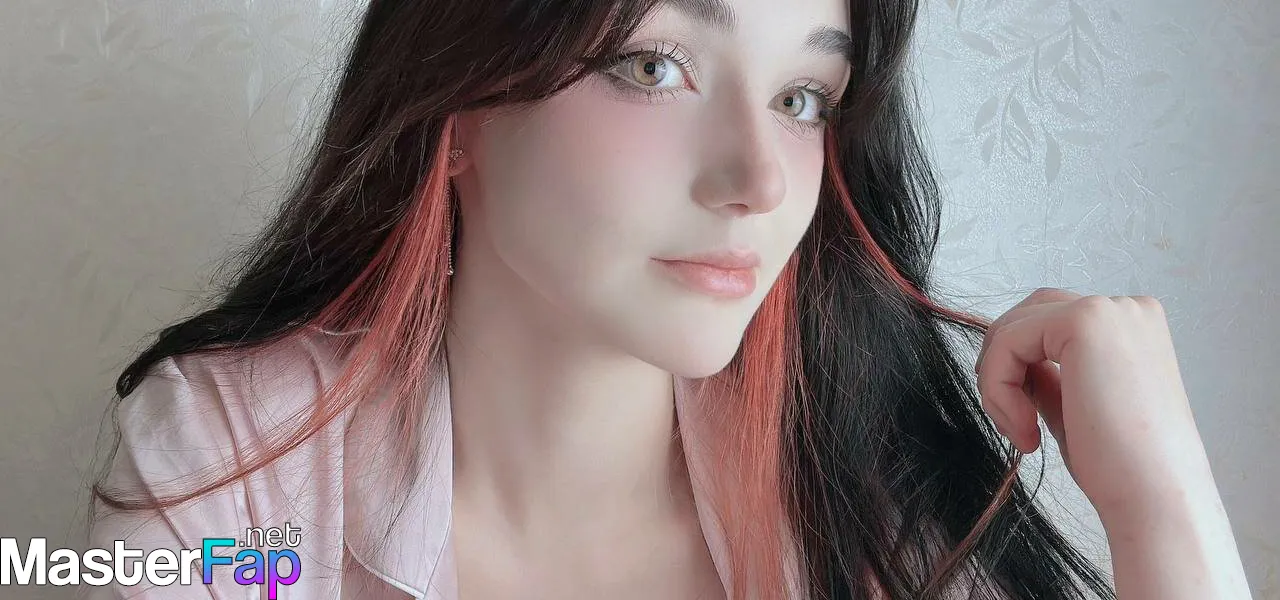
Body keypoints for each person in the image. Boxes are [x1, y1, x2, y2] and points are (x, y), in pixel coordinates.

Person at [86, 0, 1254, 598]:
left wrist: (1163, 508)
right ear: (456, 109)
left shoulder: (863, 489)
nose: (756, 183)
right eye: (653, 67)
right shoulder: (246, 480)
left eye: (802, 98)